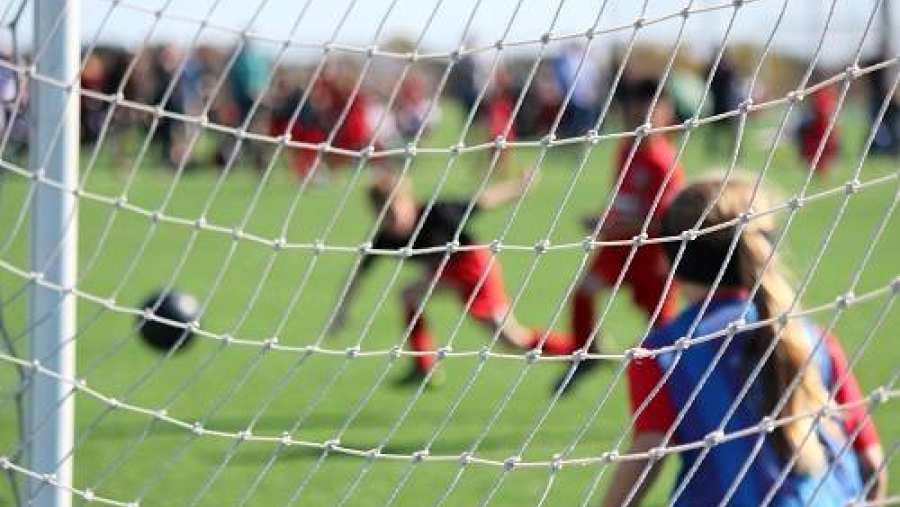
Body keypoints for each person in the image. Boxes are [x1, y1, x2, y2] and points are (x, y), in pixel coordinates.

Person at [601, 176, 886, 507]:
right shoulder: (811, 339)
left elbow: (647, 455)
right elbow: (872, 467)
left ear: (668, 260)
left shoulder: (665, 352)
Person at [330, 170, 574, 385]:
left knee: (512, 339)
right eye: (385, 216)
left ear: (408, 202)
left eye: (396, 211)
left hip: (473, 267)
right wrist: (342, 311)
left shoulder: (437, 213)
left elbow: (483, 201)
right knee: (409, 295)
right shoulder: (385, 238)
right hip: (446, 273)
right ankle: (424, 366)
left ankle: (580, 350)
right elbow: (357, 276)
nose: (393, 220)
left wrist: (520, 186)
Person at [559, 77, 685, 395]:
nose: (640, 118)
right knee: (583, 292)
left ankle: (680, 385)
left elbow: (661, 221)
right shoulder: (626, 149)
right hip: (617, 246)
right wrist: (604, 219)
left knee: (663, 332)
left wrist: (613, 225)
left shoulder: (662, 162)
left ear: (665, 114)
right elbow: (624, 199)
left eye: (649, 112)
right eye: (634, 111)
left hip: (652, 254)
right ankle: (588, 353)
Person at [797, 78, 840, 178]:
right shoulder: (819, 95)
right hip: (818, 130)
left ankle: (819, 165)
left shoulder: (826, 96)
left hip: (821, 130)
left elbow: (824, 112)